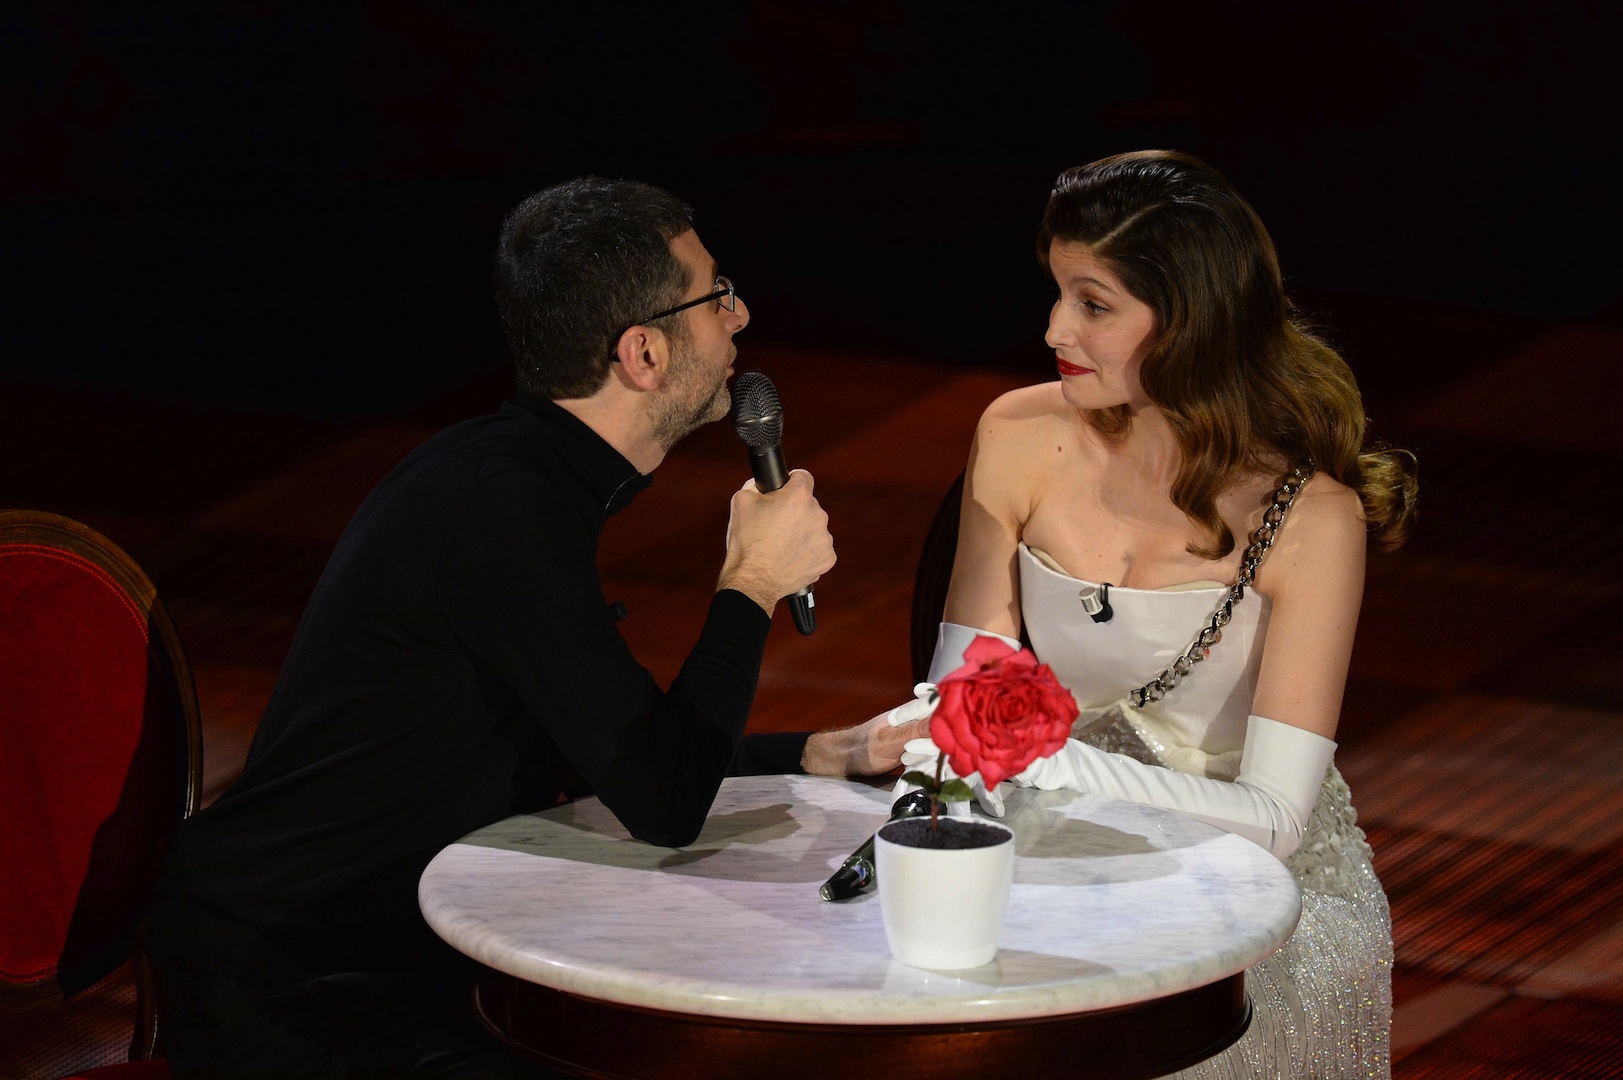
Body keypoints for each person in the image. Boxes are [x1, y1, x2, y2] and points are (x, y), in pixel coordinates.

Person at [146, 176, 925, 1078]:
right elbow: (665, 803)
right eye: (717, 296)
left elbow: (611, 751)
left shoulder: (511, 481)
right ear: (643, 352)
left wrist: (820, 752)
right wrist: (749, 584)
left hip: (383, 949)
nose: (741, 316)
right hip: (294, 983)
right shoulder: (501, 513)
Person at [898, 150, 1418, 1078]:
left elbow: (1271, 823)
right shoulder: (1015, 433)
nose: (1054, 326)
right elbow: (960, 701)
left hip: (1249, 896)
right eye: (1058, 291)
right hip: (1050, 847)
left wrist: (1053, 762)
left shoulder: (1309, 519)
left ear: (1191, 324)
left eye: (1094, 305)